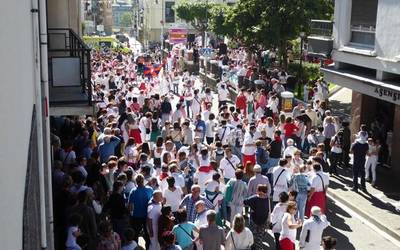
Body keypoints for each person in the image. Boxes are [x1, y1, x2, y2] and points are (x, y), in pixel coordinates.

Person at [128, 174, 153, 248]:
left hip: (136, 216)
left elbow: (130, 206)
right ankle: (148, 247)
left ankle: (135, 248)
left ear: (136, 182)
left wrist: (131, 215)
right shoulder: (150, 189)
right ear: (143, 180)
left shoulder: (133, 191)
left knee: (135, 234)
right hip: (147, 216)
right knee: (147, 233)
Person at [243, 184, 270, 250]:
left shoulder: (254, 198)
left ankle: (256, 248)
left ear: (260, 191)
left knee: (253, 236)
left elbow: (245, 202)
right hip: (264, 221)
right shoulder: (267, 199)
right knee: (259, 237)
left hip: (254, 221)